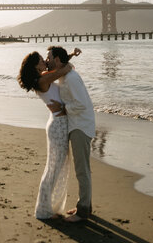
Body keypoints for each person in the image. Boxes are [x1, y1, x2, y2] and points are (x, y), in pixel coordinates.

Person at [17, 48, 81, 220]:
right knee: (53, 169)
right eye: (40, 60)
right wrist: (67, 60)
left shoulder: (43, 76)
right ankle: (44, 211)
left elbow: (60, 67)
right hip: (58, 125)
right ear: (35, 66)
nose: (44, 61)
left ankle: (48, 208)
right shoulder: (42, 80)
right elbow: (65, 69)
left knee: (56, 167)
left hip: (58, 122)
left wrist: (71, 55)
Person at [46, 45, 95, 223]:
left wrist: (63, 108)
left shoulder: (71, 78)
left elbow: (82, 104)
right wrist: (72, 54)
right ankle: (86, 205)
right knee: (83, 169)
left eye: (49, 57)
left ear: (57, 60)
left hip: (81, 126)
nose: (47, 61)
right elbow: (65, 61)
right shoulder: (64, 73)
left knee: (82, 170)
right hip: (77, 124)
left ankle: (83, 212)